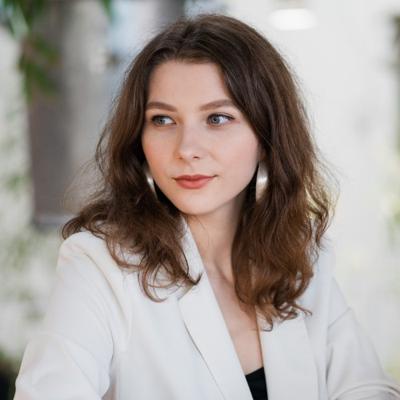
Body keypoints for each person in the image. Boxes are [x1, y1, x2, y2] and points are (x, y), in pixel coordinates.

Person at [13, 13, 400, 400]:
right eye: (163, 120)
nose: (186, 149)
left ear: (266, 136)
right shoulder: (100, 263)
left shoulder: (301, 258)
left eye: (217, 118)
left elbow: (366, 387)